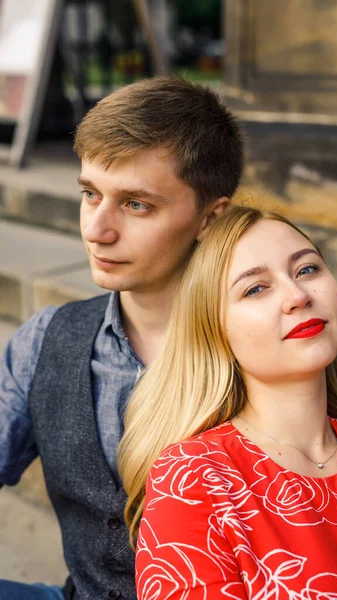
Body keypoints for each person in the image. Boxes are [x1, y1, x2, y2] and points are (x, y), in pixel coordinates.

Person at [0, 76, 244, 600]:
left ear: (210, 217)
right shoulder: (49, 338)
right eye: (90, 194)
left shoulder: (262, 352)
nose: (96, 229)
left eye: (136, 205)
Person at [119, 204, 337, 599]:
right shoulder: (195, 479)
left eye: (307, 269)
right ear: (216, 331)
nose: (298, 295)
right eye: (255, 288)